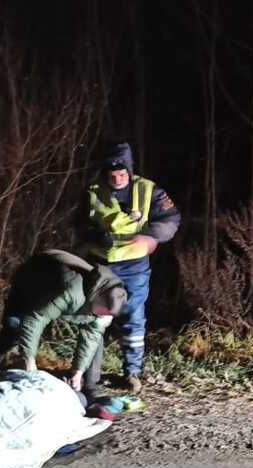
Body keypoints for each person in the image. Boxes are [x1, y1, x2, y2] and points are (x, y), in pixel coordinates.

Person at [77, 142, 181, 396]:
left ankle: (131, 372)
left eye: (122, 173)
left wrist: (151, 237)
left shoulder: (148, 190)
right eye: (112, 174)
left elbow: (170, 220)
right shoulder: (93, 191)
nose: (117, 178)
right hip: (101, 266)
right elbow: (78, 225)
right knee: (95, 318)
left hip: (134, 266)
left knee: (133, 318)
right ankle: (90, 376)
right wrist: (93, 236)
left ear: (129, 169)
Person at [0, 249, 128, 397]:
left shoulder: (108, 303)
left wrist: (78, 372)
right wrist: (29, 360)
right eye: (101, 312)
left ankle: (87, 391)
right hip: (32, 282)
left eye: (106, 315)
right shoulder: (71, 292)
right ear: (97, 297)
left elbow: (91, 336)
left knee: (94, 334)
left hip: (60, 293)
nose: (101, 316)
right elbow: (35, 319)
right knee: (12, 330)